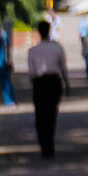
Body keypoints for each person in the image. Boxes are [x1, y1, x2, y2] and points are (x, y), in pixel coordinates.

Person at [28, 19, 69, 159]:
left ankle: (43, 142)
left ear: (39, 32)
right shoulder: (57, 48)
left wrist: (34, 84)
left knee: (40, 114)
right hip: (53, 82)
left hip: (40, 83)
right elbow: (63, 67)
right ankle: (49, 144)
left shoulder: (33, 50)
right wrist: (67, 84)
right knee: (51, 114)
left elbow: (31, 72)